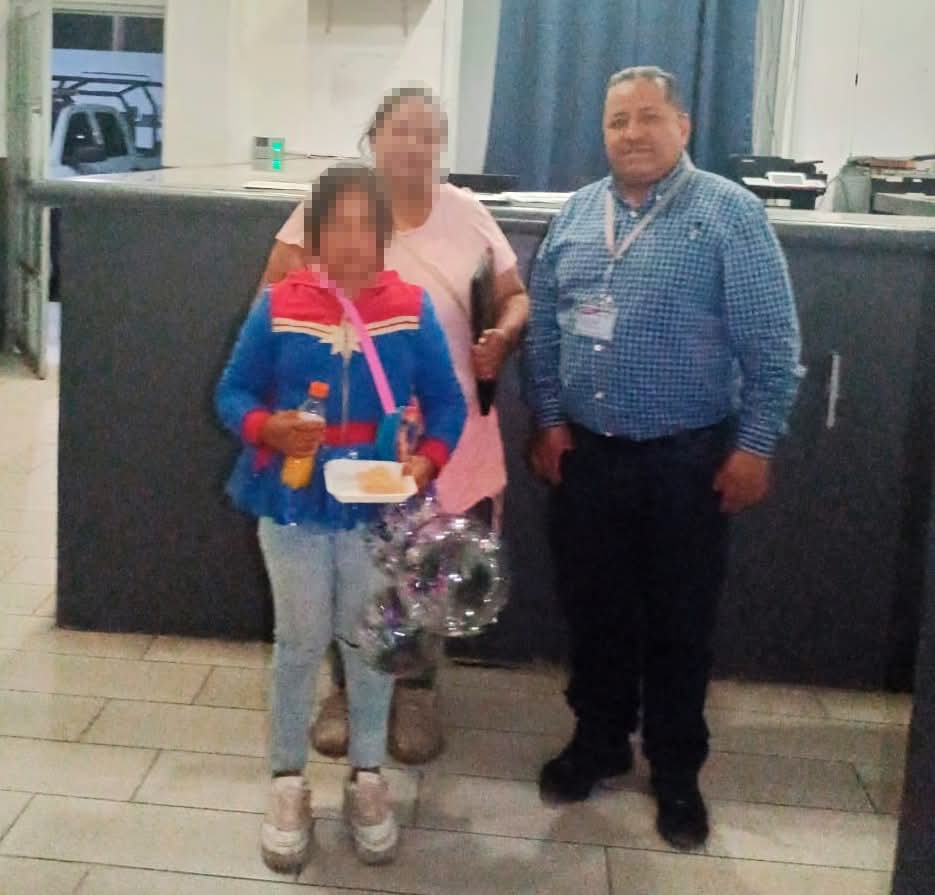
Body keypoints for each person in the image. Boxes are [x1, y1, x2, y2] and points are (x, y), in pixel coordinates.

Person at [526, 66, 800, 850]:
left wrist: (754, 445)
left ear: (682, 126)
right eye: (617, 120)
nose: (632, 133)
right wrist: (548, 420)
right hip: (587, 459)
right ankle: (598, 741)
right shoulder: (576, 214)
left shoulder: (728, 214)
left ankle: (676, 769)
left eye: (648, 117)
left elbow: (773, 346)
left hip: (686, 461)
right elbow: (544, 329)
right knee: (595, 611)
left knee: (680, 620)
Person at [265, 85, 530, 764]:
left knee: (426, 562)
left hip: (445, 429)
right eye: (400, 130)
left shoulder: (466, 213)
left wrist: (501, 337)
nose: (413, 144)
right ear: (374, 136)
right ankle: (346, 689)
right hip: (351, 429)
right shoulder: (333, 205)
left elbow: (514, 296)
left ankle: (415, 690)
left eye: (427, 133)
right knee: (351, 554)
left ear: (441, 146)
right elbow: (273, 298)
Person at [216, 164, 466, 871]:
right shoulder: (279, 303)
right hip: (292, 497)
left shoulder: (411, 307)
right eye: (338, 224)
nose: (352, 239)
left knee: (368, 641)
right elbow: (232, 392)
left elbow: (447, 405)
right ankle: (287, 781)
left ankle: (367, 776)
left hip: (378, 502)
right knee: (298, 641)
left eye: (366, 224)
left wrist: (428, 462)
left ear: (384, 232)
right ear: (316, 232)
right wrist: (268, 427)